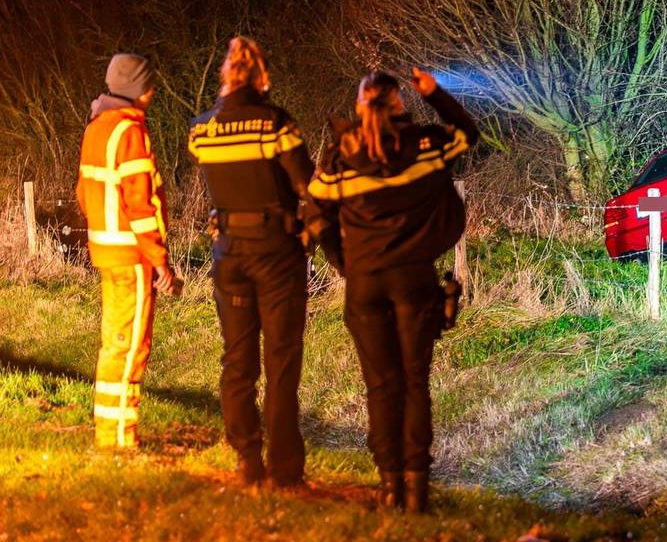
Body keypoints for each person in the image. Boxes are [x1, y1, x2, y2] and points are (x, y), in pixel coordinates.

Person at [308, 67, 478, 513]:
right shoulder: (427, 144)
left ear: (360, 105)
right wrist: (435, 93)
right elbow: (468, 133)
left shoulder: (341, 157)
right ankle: (417, 489)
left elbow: (317, 212)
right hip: (414, 280)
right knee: (414, 383)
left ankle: (389, 486)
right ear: (400, 102)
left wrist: (342, 262)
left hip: (365, 282)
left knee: (381, 387)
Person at [187, 36, 322, 488]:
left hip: (228, 253)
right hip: (276, 252)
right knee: (281, 360)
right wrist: (312, 234)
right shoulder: (275, 124)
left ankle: (246, 457)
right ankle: (285, 468)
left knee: (237, 360)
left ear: (225, 74)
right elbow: (308, 186)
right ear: (261, 75)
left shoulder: (201, 130)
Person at [76, 53, 176, 450]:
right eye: (150, 86)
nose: (153, 93)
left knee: (114, 343)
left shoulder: (96, 127)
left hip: (105, 252)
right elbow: (141, 205)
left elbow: (83, 194)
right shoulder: (130, 131)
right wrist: (158, 260)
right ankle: (119, 439)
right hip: (130, 257)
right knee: (130, 345)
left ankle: (110, 433)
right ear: (139, 90)